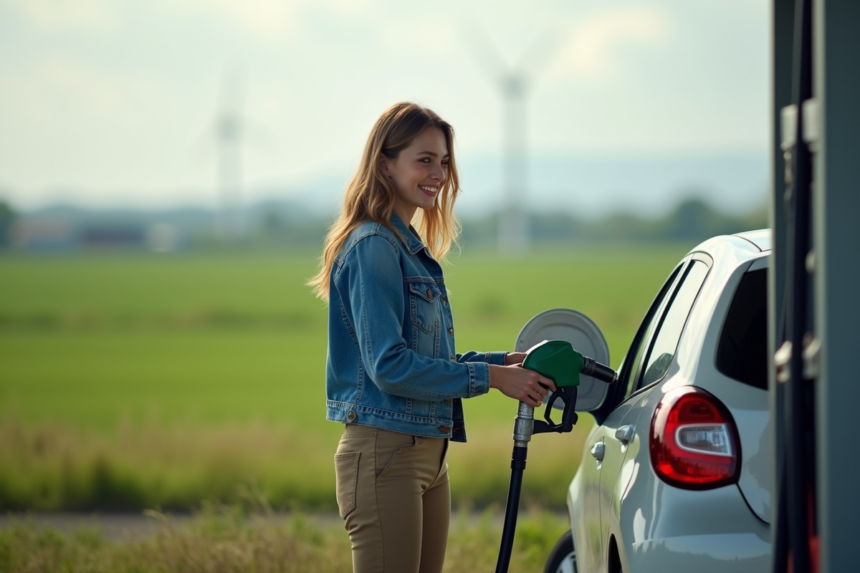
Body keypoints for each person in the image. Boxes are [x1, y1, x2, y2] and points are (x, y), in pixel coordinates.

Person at [308, 102, 556, 573]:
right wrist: (493, 378)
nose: (438, 173)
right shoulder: (375, 246)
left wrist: (505, 362)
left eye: (443, 162)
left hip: (427, 455)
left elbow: (428, 358)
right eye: (424, 159)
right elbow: (390, 366)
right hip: (386, 454)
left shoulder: (407, 248)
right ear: (385, 163)